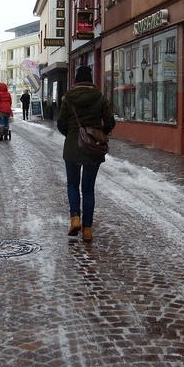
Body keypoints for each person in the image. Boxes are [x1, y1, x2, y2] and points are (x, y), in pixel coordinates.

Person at [57, 65, 116, 242]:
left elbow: (61, 123)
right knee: (88, 188)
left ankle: (75, 218)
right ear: (91, 80)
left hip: (73, 146)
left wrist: (72, 135)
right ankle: (88, 229)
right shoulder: (100, 97)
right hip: (93, 148)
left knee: (73, 184)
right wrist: (98, 134)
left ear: (76, 80)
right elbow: (110, 122)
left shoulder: (68, 98)